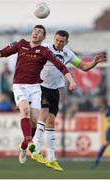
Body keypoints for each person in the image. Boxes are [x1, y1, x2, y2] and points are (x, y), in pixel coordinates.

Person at [0, 25, 76, 165]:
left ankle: (23, 147)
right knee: (25, 111)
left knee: (34, 122)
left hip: (35, 88)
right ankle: (31, 145)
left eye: (40, 32)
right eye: (35, 30)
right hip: (19, 86)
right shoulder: (21, 44)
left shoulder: (44, 51)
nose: (36, 33)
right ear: (32, 33)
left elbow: (61, 66)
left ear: (44, 37)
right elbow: (2, 52)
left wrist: (71, 81)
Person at [31, 30, 106, 171]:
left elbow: (83, 66)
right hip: (41, 86)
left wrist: (94, 62)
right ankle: (35, 148)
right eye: (57, 40)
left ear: (66, 42)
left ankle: (51, 158)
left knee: (51, 121)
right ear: (54, 38)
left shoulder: (68, 54)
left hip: (55, 91)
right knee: (44, 112)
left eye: (62, 41)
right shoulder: (45, 48)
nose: (59, 43)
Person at [91, 99, 110, 169]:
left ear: (103, 104)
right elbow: (101, 111)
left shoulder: (108, 109)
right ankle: (96, 161)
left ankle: (96, 161)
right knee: (106, 144)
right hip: (109, 129)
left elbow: (102, 111)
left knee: (105, 144)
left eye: (101, 104)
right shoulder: (106, 109)